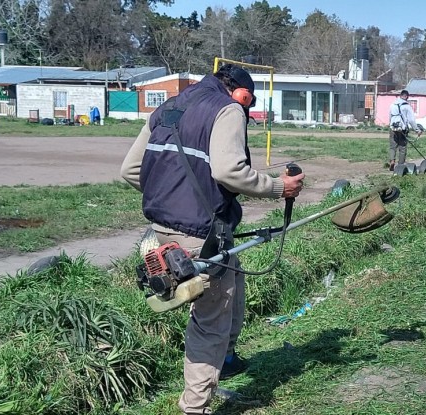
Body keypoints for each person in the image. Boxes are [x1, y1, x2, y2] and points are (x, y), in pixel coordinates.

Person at [120, 64, 305, 415]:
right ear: (243, 95)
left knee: (232, 281)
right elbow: (228, 171)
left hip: (163, 233)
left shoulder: (168, 107)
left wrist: (172, 193)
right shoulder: (229, 109)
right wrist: (281, 187)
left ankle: (229, 358)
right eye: (248, 103)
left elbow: (130, 170)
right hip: (199, 234)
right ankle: (195, 407)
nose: (247, 109)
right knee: (209, 321)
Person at [388, 90, 421, 171]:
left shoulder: (393, 104)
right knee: (402, 147)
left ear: (400, 95)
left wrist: (390, 125)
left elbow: (390, 117)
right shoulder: (407, 106)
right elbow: (411, 120)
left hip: (393, 128)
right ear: (406, 96)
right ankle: (400, 165)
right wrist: (417, 130)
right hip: (402, 129)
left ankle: (392, 161)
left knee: (392, 147)